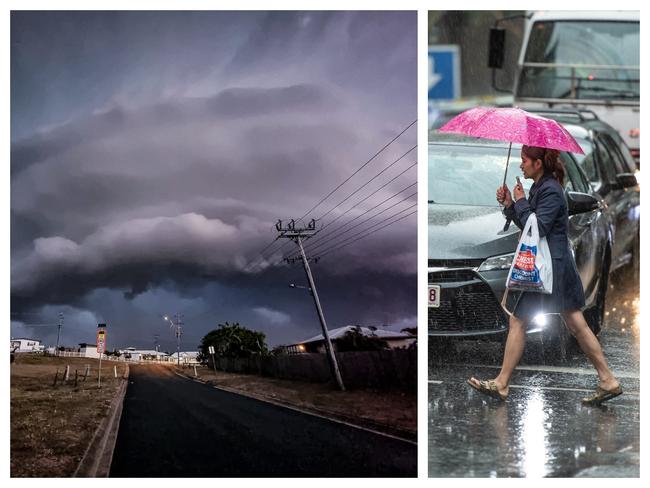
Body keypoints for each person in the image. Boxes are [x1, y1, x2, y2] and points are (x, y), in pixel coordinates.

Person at [467, 145, 622, 405]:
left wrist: (520, 201)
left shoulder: (550, 190)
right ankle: (607, 380)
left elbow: (537, 228)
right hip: (552, 264)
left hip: (551, 267)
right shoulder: (542, 187)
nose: (521, 165)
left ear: (538, 163)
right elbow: (528, 225)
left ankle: (502, 383)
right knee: (569, 322)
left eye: (524, 160)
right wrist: (509, 205)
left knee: (539, 321)